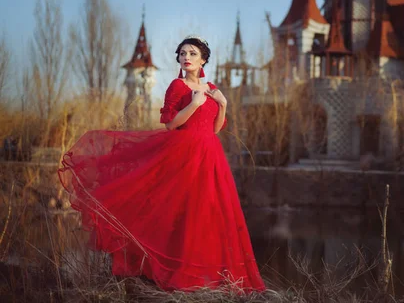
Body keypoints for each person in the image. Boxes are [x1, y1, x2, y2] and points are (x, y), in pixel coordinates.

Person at [58, 36, 266, 292]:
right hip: (184, 154)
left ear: (203, 59)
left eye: (192, 53)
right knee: (182, 213)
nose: (186, 57)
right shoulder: (176, 86)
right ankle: (180, 275)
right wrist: (193, 104)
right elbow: (171, 124)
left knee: (210, 213)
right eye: (182, 53)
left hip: (211, 155)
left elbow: (215, 128)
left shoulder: (212, 87)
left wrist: (222, 104)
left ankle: (211, 278)